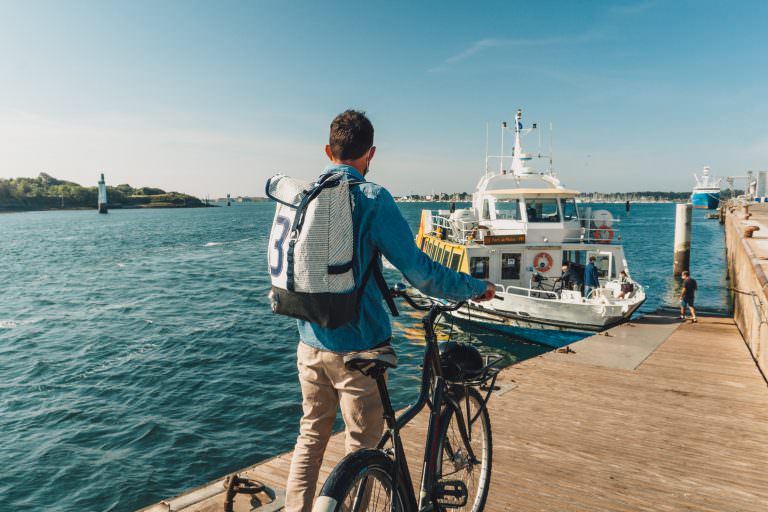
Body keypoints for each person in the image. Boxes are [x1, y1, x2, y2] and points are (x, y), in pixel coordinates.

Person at [284, 110, 496, 512]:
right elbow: (421, 273)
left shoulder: (307, 194)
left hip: (309, 341)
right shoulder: (371, 198)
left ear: (328, 151)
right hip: (359, 348)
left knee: (310, 436)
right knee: (360, 447)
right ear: (372, 153)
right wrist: (474, 287)